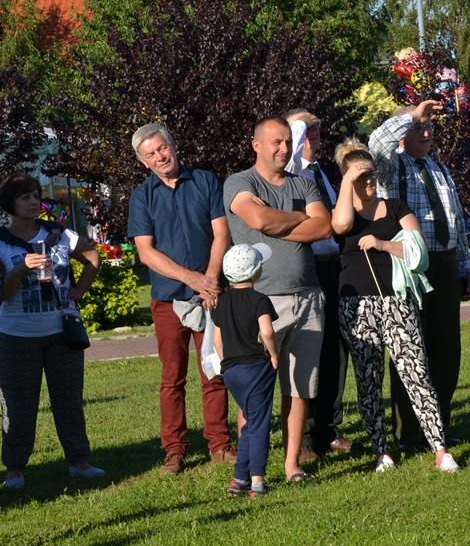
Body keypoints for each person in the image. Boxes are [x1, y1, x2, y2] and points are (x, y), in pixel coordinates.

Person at [332, 139, 459, 473]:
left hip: (396, 302)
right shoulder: (344, 213)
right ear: (347, 180)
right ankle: (382, 451)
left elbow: (418, 255)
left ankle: (440, 449)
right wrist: (348, 179)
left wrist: (384, 244)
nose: (369, 182)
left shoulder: (398, 207)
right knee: (368, 378)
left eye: (371, 175)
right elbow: (341, 226)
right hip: (356, 306)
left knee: (416, 372)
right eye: (361, 177)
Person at [224, 117, 331, 482]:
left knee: (300, 388)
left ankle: (291, 466)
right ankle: (252, 469)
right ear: (256, 144)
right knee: (256, 392)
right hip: (261, 301)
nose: (284, 149)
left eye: (288, 142)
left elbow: (324, 227)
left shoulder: (304, 181)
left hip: (308, 296)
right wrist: (299, 217)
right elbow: (258, 220)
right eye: (275, 142)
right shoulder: (239, 183)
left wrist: (278, 219)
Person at [127, 123, 235, 474]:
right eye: (150, 154)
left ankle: (219, 443)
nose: (160, 157)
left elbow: (222, 233)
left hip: (211, 294)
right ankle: (174, 450)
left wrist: (212, 278)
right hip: (169, 299)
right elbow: (146, 252)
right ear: (143, 162)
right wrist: (194, 279)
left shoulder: (204, 181)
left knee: (214, 371)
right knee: (173, 377)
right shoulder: (142, 196)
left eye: (162, 148)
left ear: (173, 145)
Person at [369, 100, 470, 450]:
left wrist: (466, 265)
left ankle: (439, 427)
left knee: (447, 350)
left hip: (444, 263)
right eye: (419, 128)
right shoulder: (390, 165)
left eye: (430, 127)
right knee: (410, 350)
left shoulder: (439, 168)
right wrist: (411, 115)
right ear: (404, 133)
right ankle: (408, 433)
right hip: (409, 266)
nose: (427, 133)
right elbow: (377, 143)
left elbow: (455, 218)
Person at [0, 173, 104, 490]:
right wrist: (21, 269)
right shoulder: (1, 242)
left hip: (62, 334)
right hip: (16, 335)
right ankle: (15, 468)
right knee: (18, 406)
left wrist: (78, 292)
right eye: (25, 197)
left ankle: (79, 461)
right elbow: (1, 295)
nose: (33, 202)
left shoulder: (59, 234)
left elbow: (92, 258)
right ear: (10, 205)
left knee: (69, 400)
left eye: (35, 195)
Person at [284, 109, 354, 457]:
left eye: (317, 130)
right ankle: (308, 433)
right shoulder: (292, 171)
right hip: (309, 263)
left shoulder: (320, 171)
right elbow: (292, 146)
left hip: (333, 264)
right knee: (311, 347)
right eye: (309, 131)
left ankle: (329, 426)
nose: (315, 135)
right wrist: (297, 122)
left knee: (335, 350)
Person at [212, 243, 279, 499]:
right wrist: (273, 355)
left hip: (231, 371)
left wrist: (225, 361)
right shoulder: (260, 300)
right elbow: (268, 332)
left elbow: (217, 341)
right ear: (256, 272)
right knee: (260, 423)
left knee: (250, 423)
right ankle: (258, 482)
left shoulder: (222, 302)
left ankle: (239, 479)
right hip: (256, 368)